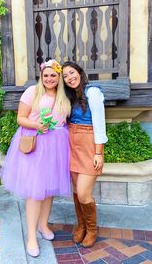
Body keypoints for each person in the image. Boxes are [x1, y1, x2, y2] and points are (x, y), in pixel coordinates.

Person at [1, 59, 71, 257]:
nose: (49, 79)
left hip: (57, 145)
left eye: (53, 75)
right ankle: (31, 236)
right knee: (35, 191)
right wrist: (37, 126)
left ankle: (43, 225)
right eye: (46, 75)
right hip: (36, 143)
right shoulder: (32, 91)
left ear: (59, 78)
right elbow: (20, 118)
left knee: (48, 189)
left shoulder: (63, 96)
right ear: (41, 76)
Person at [62, 61, 108, 248]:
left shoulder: (93, 92)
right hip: (72, 142)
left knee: (83, 193)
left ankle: (92, 229)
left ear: (80, 72)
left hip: (89, 143)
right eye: (65, 76)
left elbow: (99, 123)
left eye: (72, 73)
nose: (69, 78)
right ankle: (81, 225)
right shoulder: (70, 96)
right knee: (75, 190)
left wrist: (99, 153)